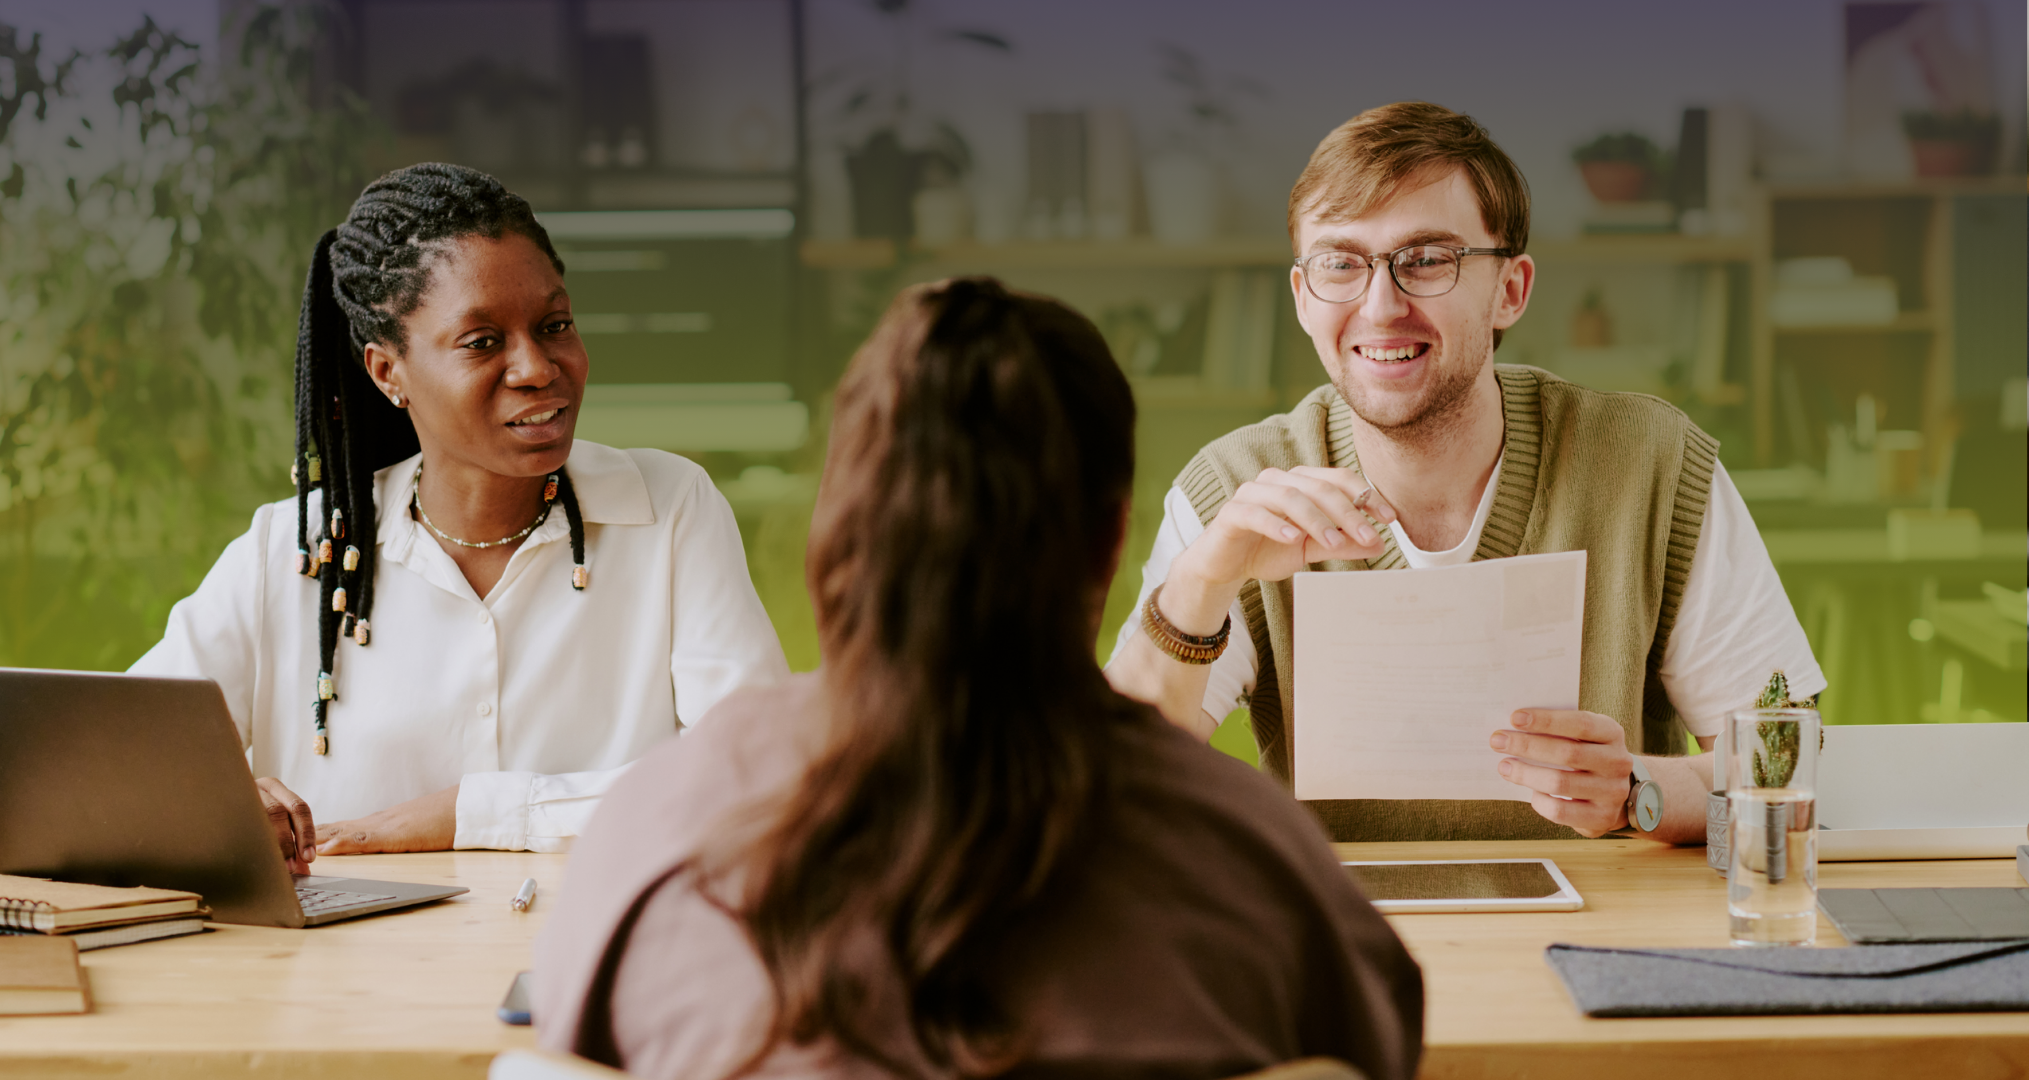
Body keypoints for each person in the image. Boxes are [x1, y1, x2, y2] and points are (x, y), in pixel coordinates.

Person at [533, 279, 1423, 1080]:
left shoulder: (656, 829)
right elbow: (1376, 1045)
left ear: (833, 527)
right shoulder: (1252, 855)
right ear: (1111, 541)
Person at [1105, 102, 1824, 845]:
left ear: (1510, 290)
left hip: (1603, 915)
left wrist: (1639, 790)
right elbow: (1110, 789)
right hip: (1339, 917)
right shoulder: (1235, 489)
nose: (1381, 306)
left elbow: (1793, 763)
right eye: (1341, 264)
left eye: (1426, 259)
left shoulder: (1652, 464)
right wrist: (1201, 584)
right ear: (1303, 298)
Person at [131, 163, 786, 862]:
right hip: (348, 941)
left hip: (590, 937)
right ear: (388, 372)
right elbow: (111, 759)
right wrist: (215, 802)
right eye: (482, 342)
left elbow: (762, 777)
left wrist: (469, 814)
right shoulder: (291, 552)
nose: (538, 367)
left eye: (555, 325)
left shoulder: (670, 510)